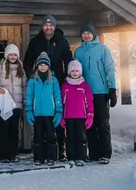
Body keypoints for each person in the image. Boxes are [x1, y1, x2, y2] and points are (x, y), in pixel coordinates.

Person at [23, 15, 72, 161]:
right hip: (39, 82)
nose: (48, 27)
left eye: (51, 25)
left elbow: (68, 61)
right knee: (41, 124)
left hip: (58, 83)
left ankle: (59, 151)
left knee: (57, 121)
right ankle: (41, 153)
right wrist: (32, 76)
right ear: (42, 27)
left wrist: (69, 79)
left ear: (55, 27)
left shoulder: (62, 41)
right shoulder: (35, 42)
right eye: (45, 25)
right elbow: (27, 62)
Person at [74, 22, 117, 164]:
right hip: (85, 92)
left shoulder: (102, 49)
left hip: (101, 91)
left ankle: (105, 153)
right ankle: (93, 153)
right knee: (89, 124)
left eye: (89, 33)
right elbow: (76, 72)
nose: (86, 36)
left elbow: (110, 68)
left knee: (102, 123)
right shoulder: (78, 52)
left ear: (93, 35)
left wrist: (112, 88)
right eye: (84, 33)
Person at [0, 43, 26, 163]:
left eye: (15, 55)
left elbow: (24, 85)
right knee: (4, 128)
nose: (13, 57)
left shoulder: (21, 68)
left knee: (14, 129)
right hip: (3, 104)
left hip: (17, 105)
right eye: (11, 54)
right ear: (6, 55)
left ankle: (12, 154)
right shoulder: (0, 67)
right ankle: (2, 155)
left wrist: (25, 99)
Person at [25, 52, 62, 165]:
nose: (43, 66)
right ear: (37, 66)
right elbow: (29, 96)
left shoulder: (53, 80)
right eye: (40, 64)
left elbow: (57, 95)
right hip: (37, 113)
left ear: (48, 66)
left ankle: (51, 157)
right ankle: (39, 157)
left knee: (51, 136)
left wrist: (59, 111)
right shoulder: (32, 80)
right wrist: (29, 111)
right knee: (38, 136)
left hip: (50, 113)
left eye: (45, 64)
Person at [60, 60, 94, 166]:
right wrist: (61, 116)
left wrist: (90, 115)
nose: (75, 73)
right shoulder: (65, 86)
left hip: (81, 117)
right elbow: (61, 102)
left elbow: (89, 101)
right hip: (68, 117)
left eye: (77, 71)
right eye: (73, 70)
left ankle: (81, 157)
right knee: (70, 138)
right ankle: (71, 156)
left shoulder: (84, 86)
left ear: (80, 72)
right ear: (69, 72)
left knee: (81, 137)